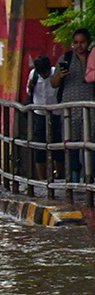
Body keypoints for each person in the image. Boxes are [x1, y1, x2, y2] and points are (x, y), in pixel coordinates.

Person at [50, 29, 94, 181]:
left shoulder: (93, 57)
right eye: (76, 42)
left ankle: (90, 179)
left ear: (88, 42)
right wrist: (60, 76)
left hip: (91, 109)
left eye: (82, 42)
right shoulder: (66, 58)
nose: (79, 46)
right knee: (73, 145)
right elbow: (53, 83)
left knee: (92, 144)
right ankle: (74, 181)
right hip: (71, 110)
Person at [26, 54, 57, 182]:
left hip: (56, 112)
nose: (44, 76)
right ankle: (42, 178)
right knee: (39, 146)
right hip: (39, 113)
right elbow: (29, 92)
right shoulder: (33, 74)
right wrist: (30, 86)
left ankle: (59, 174)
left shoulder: (56, 73)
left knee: (58, 144)